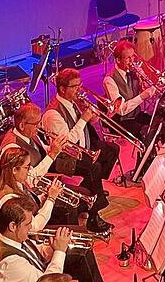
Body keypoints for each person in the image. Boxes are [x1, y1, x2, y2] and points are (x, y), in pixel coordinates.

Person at [40, 68, 118, 233]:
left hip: (83, 148)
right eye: (74, 86)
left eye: (79, 85)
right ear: (62, 89)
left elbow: (92, 122)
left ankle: (90, 190)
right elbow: (67, 144)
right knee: (93, 167)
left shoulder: (72, 101)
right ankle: (93, 215)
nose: (79, 89)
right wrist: (83, 119)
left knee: (112, 150)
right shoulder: (53, 113)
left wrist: (91, 114)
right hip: (63, 158)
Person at [101, 40, 165, 181]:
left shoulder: (134, 71)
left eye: (133, 57)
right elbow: (121, 110)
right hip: (122, 121)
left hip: (136, 114)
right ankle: (148, 168)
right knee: (148, 131)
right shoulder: (109, 80)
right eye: (128, 58)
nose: (132, 62)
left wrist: (162, 83)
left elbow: (152, 91)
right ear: (118, 60)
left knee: (164, 123)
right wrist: (143, 95)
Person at [0, 147, 80, 230]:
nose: (30, 169)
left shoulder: (18, 184)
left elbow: (30, 207)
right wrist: (51, 199)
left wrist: (45, 197)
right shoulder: (10, 198)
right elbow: (34, 227)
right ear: (14, 170)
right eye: (26, 167)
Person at [0, 197, 71, 282]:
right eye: (27, 224)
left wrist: (51, 248)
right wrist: (60, 251)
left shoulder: (12, 238)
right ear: (13, 226)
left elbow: (31, 254)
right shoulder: (10, 263)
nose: (31, 227)